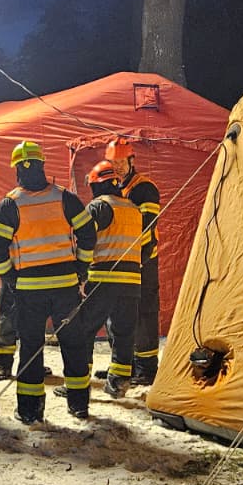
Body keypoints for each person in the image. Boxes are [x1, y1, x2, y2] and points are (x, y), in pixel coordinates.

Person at [0, 140, 97, 421]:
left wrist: (9, 277)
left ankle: (30, 411)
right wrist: (81, 267)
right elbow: (88, 233)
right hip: (65, 288)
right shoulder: (65, 198)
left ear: (17, 171)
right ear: (42, 165)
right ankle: (79, 405)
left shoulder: (9, 204)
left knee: (31, 350)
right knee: (73, 345)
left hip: (28, 290)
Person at [77, 160, 142, 398]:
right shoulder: (134, 209)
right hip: (132, 281)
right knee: (124, 333)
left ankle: (79, 382)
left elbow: (84, 240)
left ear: (97, 185)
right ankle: (118, 382)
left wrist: (80, 272)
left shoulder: (98, 207)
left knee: (84, 330)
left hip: (103, 279)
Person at [107, 136, 162, 385]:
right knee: (120, 313)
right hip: (123, 259)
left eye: (121, 161)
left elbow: (148, 228)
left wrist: (139, 259)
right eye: (113, 162)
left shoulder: (144, 188)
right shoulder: (117, 187)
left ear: (131, 160)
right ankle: (123, 365)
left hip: (143, 260)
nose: (117, 166)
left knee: (144, 313)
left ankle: (147, 369)